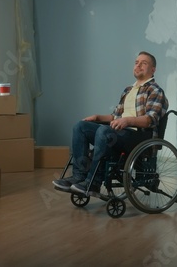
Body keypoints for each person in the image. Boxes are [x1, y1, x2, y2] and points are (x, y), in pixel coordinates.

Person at [52, 51, 169, 196]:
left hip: (140, 136)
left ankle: (93, 183)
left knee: (104, 132)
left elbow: (150, 119)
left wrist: (127, 120)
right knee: (80, 127)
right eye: (136, 62)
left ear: (153, 70)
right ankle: (79, 176)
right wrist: (97, 117)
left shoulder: (155, 90)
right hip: (121, 132)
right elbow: (115, 116)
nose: (138, 65)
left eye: (143, 63)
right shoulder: (128, 90)